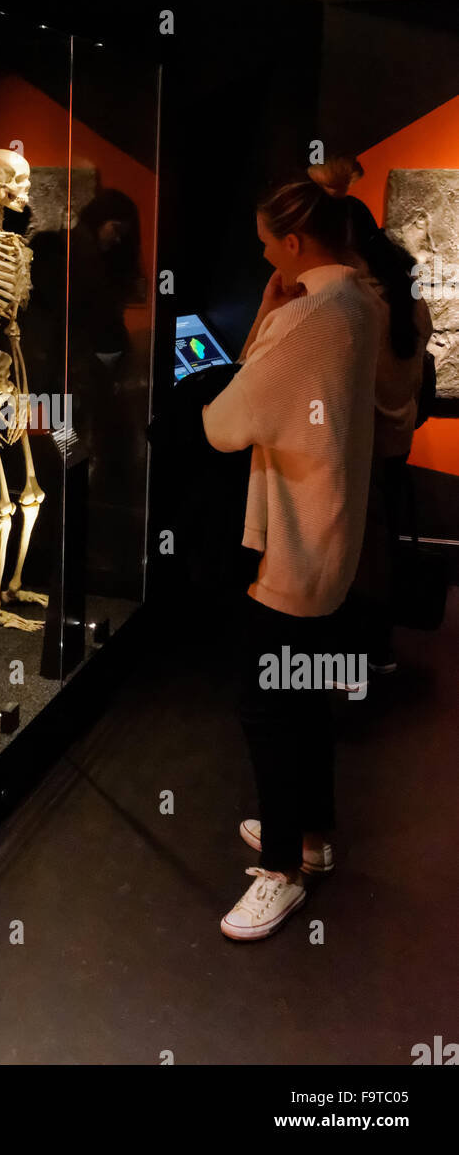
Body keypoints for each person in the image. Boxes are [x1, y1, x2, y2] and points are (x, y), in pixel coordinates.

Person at [202, 177, 381, 941]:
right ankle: (311, 836)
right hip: (334, 534)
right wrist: (273, 313)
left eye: (268, 244)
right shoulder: (359, 302)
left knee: (267, 705)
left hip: (297, 543)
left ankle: (282, 872)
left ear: (296, 243)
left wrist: (270, 313)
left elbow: (225, 421)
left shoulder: (309, 317)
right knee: (303, 690)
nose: (264, 256)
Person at [309, 156, 434, 671]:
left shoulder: (352, 299)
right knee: (376, 547)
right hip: (396, 439)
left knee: (356, 555)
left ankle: (355, 656)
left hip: (359, 447)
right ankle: (374, 650)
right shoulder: (403, 291)